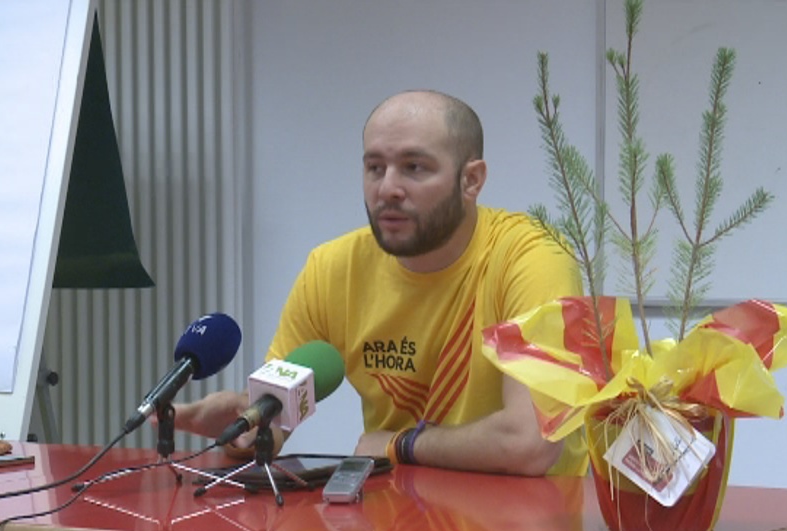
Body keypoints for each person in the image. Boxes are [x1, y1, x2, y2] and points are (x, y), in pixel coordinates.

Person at [173, 89, 587, 477]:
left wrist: (398, 444)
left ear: (471, 180)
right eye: (375, 168)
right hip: (398, 520)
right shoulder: (333, 269)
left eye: (414, 167)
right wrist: (248, 424)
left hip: (533, 528)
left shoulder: (531, 259)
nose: (387, 189)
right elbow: (278, 423)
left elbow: (530, 444)